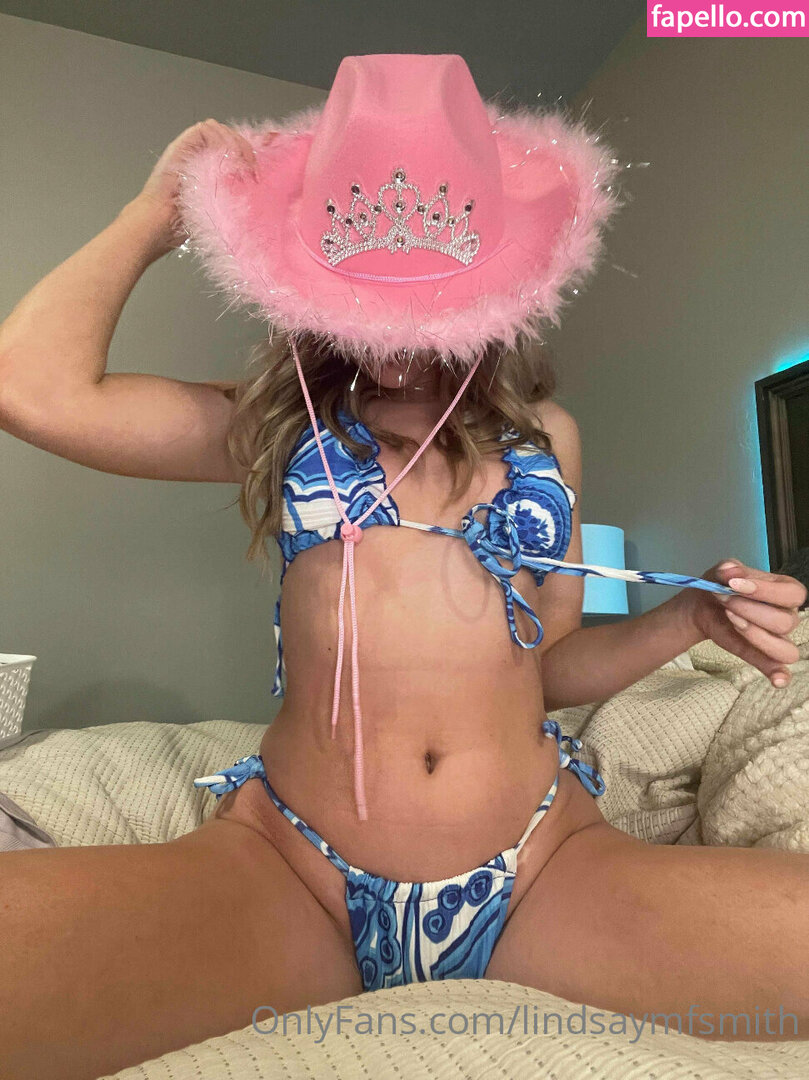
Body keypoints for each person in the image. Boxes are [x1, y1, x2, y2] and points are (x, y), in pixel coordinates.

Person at [0, 52, 806, 1080]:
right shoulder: (284, 429)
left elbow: (545, 667)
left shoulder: (544, 440)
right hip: (293, 875)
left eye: (424, 299)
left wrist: (687, 623)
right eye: (354, 297)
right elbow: (31, 388)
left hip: (543, 869)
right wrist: (153, 217)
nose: (388, 341)